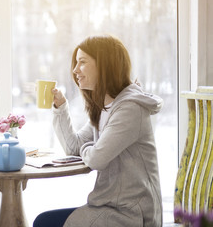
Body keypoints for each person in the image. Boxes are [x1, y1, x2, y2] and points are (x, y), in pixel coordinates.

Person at [33, 35, 163, 227]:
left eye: (82, 62)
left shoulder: (129, 109)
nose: (75, 70)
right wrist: (60, 107)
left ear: (105, 65)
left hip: (132, 214)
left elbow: (96, 159)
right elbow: (73, 147)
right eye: (75, 63)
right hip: (110, 207)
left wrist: (91, 147)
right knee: (44, 221)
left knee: (45, 223)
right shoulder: (106, 107)